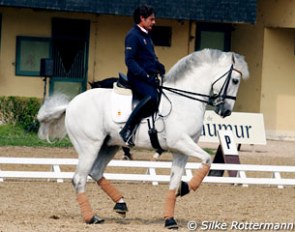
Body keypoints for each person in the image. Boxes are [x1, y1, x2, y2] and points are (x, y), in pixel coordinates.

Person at [119, 4, 165, 146]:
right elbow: (130, 61)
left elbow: (151, 58)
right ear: (142, 18)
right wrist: (146, 76)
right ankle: (127, 129)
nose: (154, 22)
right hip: (137, 78)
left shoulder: (147, 36)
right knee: (151, 97)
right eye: (151, 19)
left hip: (149, 78)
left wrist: (159, 66)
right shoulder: (133, 35)